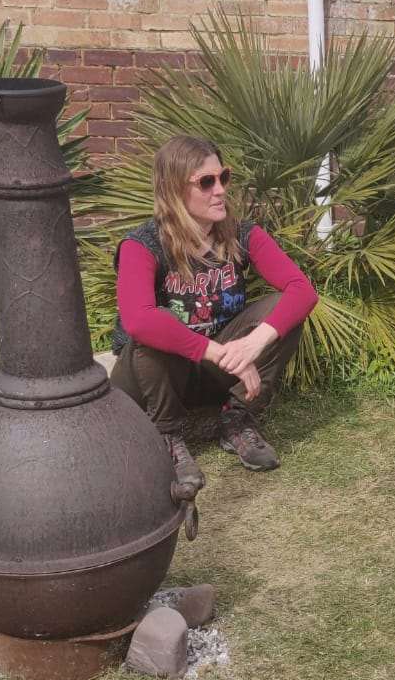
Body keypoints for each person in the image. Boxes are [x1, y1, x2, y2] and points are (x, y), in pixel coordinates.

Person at [109, 134, 318, 485]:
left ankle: (236, 418)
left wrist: (254, 343)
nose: (220, 189)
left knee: (284, 313)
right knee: (151, 330)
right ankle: (166, 437)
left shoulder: (240, 234)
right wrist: (215, 351)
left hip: (212, 371)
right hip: (155, 376)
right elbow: (138, 319)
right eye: (206, 182)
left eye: (224, 177)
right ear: (174, 189)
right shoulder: (142, 244)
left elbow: (302, 291)